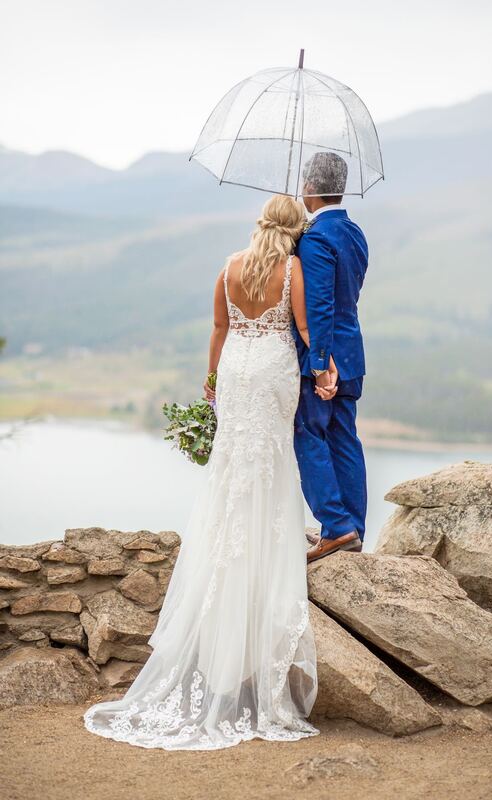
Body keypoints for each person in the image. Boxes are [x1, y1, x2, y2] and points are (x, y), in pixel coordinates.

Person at [83, 194, 322, 750]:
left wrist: (212, 380)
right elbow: (305, 331)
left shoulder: (229, 266)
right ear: (293, 230)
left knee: (234, 465)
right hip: (273, 371)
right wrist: (327, 368)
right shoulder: (293, 269)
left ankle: (228, 558)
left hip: (238, 369)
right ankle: (272, 539)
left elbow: (219, 328)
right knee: (270, 460)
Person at [294, 152, 369, 564]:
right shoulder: (355, 233)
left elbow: (319, 304)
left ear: (310, 187)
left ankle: (336, 528)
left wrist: (320, 364)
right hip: (353, 352)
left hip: (325, 359)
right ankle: (354, 527)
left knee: (307, 433)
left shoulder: (316, 238)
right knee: (345, 439)